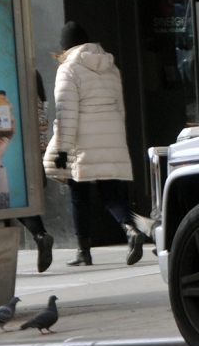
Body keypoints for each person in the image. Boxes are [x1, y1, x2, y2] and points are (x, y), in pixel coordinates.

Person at [43, 22, 143, 267]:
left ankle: (83, 251)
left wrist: (62, 150)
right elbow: (120, 109)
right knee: (111, 192)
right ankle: (131, 229)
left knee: (79, 195)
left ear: (65, 46)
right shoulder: (110, 66)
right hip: (111, 135)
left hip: (82, 138)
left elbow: (67, 113)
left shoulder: (68, 69)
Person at [0, 72, 55, 272]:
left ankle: (0, 256)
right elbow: (43, 116)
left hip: (13, 147)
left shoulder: (4, 75)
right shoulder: (32, 75)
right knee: (21, 198)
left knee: (7, 205)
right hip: (31, 149)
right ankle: (39, 234)